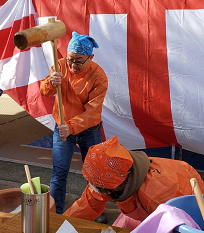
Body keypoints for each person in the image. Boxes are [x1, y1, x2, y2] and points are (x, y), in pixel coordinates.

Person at [63, 136, 204, 230]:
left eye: (95, 185)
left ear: (112, 187)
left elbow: (175, 226)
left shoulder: (157, 195)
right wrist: (61, 228)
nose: (93, 187)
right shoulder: (113, 174)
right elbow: (86, 205)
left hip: (183, 210)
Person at [40, 31, 108, 214]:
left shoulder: (99, 76)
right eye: (70, 59)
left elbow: (93, 113)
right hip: (62, 126)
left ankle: (93, 211)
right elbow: (44, 91)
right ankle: (56, 212)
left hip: (88, 128)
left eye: (79, 60)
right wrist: (50, 83)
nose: (73, 65)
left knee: (93, 173)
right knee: (59, 172)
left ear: (90, 57)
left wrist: (71, 127)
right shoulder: (60, 66)